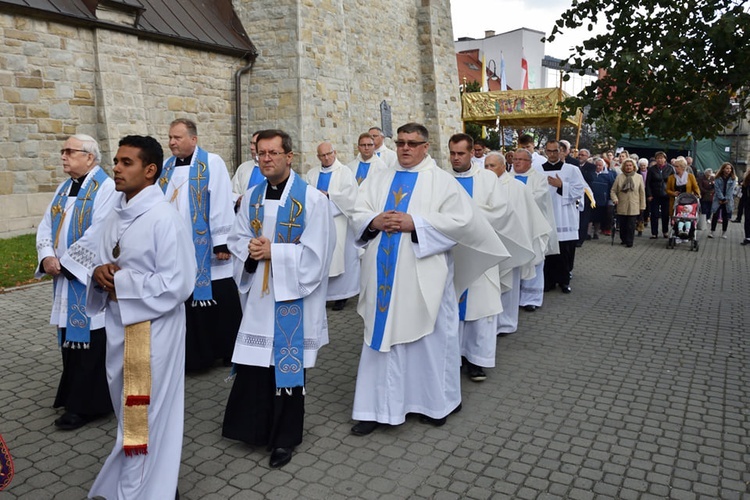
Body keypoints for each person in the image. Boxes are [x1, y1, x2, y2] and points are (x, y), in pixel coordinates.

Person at [349, 123, 508, 436]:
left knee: (429, 341)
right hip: (384, 276)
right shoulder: (378, 177)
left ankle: (435, 404)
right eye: (401, 143)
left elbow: (462, 223)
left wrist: (416, 223)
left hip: (424, 276)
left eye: (413, 143)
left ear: (425, 146)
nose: (406, 149)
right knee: (379, 343)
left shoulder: (441, 181)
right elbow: (359, 210)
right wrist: (374, 220)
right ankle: (375, 408)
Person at [87, 135, 196, 499]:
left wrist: (122, 281)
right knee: (131, 418)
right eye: (116, 161)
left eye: (126, 162)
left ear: (150, 171)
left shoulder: (165, 218)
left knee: (143, 419)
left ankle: (139, 491)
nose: (116, 168)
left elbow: (179, 283)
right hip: (121, 325)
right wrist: (98, 272)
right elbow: (98, 255)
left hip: (154, 332)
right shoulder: (116, 212)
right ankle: (149, 483)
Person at [222, 129, 335, 468]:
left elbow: (319, 255)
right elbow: (236, 237)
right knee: (257, 366)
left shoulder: (312, 200)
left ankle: (284, 438)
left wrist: (276, 252)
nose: (266, 159)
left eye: (273, 153)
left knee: (286, 367)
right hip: (259, 297)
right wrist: (251, 251)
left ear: (289, 157)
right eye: (261, 153)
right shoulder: (252, 195)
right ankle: (253, 430)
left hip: (293, 300)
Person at [36, 134, 116, 430]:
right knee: (70, 340)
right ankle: (73, 397)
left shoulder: (105, 188)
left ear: (90, 157)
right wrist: (46, 256)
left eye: (69, 151)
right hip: (64, 278)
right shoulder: (64, 188)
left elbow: (101, 231)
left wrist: (68, 263)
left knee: (91, 342)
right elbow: (46, 225)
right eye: (63, 151)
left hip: (87, 279)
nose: (63, 156)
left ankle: (89, 405)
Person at [160, 118, 242, 371]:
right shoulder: (166, 166)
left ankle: (228, 350)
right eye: (170, 137)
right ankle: (197, 355)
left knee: (219, 296)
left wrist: (221, 242)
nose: (172, 142)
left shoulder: (211, 162)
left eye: (178, 137)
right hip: (176, 244)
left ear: (193, 140)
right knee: (186, 296)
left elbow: (219, 199)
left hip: (205, 245)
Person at [448, 138, 522, 382]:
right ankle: (452, 356)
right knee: (451, 307)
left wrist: (470, 217)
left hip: (480, 251)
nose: (456, 158)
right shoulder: (442, 179)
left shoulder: (488, 179)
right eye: (452, 153)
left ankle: (476, 360)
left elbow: (501, 210)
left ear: (472, 154)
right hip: (452, 252)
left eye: (461, 153)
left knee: (480, 309)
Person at [306, 142, 360, 310]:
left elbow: (351, 197)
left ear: (334, 153)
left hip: (338, 221)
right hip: (317, 223)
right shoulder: (312, 173)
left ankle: (341, 296)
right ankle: (321, 295)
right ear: (318, 157)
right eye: (322, 155)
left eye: (329, 154)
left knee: (339, 258)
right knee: (319, 257)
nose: (326, 158)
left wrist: (329, 196)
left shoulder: (344, 172)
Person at [509, 148, 558, 312]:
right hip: (512, 228)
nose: (516, 162)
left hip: (532, 227)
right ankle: (513, 297)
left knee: (534, 260)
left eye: (520, 159)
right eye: (514, 159)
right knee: (514, 261)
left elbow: (540, 198)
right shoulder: (506, 178)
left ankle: (532, 299)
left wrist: (517, 199)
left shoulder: (539, 179)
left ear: (529, 162)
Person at [540, 140, 587, 294]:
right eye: (549, 151)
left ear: (561, 151)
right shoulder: (537, 169)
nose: (552, 154)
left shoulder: (572, 170)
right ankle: (548, 281)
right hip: (546, 214)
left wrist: (562, 186)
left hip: (564, 215)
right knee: (548, 251)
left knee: (564, 251)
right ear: (545, 151)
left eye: (555, 151)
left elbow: (580, 190)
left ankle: (564, 281)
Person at [611, 158, 646, 247]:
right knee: (623, 225)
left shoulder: (639, 177)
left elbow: (642, 192)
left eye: (630, 165)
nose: (628, 167)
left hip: (634, 205)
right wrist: (615, 199)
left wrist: (642, 206)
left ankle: (630, 241)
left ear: (634, 167)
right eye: (626, 165)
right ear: (623, 167)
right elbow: (613, 191)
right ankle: (623, 239)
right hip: (622, 204)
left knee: (631, 225)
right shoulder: (619, 177)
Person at [645, 151, 675, 239]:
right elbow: (648, 183)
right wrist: (649, 195)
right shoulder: (652, 169)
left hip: (666, 195)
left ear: (665, 159)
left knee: (665, 214)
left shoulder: (670, 169)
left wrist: (672, 193)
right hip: (655, 194)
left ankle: (665, 231)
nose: (660, 160)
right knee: (654, 214)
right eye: (658, 158)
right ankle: (654, 233)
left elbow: (673, 182)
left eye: (661, 158)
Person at [231, 131, 264, 206]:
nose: (251, 147)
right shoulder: (243, 168)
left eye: (255, 144)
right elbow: (231, 193)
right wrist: (238, 199)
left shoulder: (274, 170)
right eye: (251, 143)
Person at [708, 162, 737, 239]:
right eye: (727, 168)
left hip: (728, 199)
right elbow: (717, 189)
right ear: (723, 169)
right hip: (718, 199)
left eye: (730, 168)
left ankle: (724, 232)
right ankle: (712, 231)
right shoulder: (718, 178)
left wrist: (726, 199)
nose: (728, 170)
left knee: (725, 216)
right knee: (715, 215)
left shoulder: (733, 178)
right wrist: (721, 198)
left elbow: (731, 190)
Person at [589, 158, 615, 239]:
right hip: (591, 199)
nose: (598, 167)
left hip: (602, 200)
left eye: (600, 165)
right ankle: (588, 233)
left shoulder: (608, 175)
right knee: (589, 218)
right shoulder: (591, 174)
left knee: (598, 218)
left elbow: (612, 187)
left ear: (603, 166)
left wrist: (609, 198)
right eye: (596, 165)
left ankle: (596, 233)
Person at [739, 169, 750, 245]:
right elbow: (744, 191)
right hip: (748, 203)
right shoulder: (747, 179)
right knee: (748, 219)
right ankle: (748, 237)